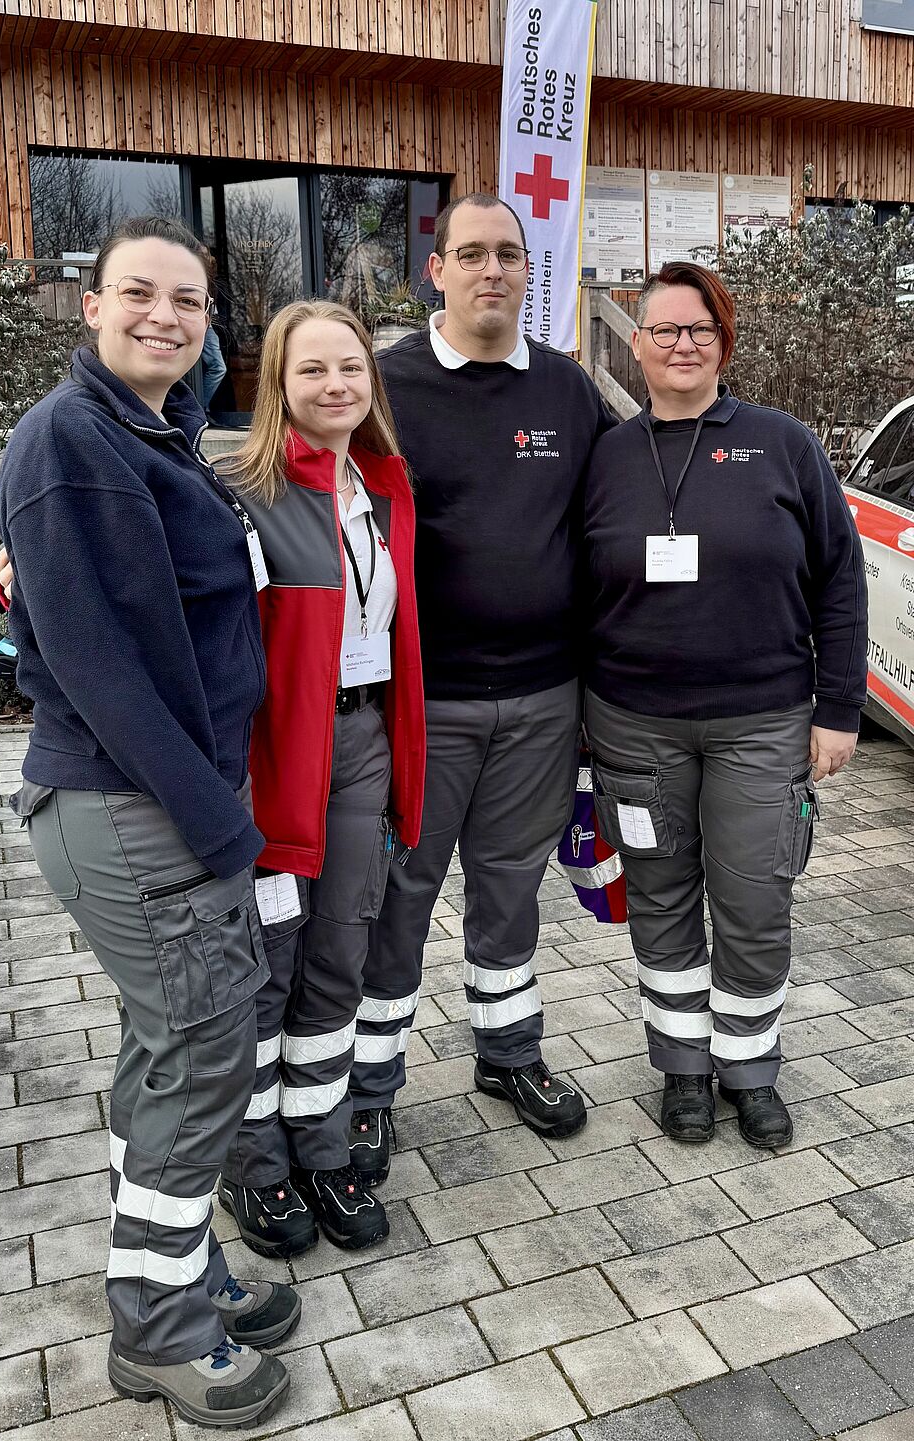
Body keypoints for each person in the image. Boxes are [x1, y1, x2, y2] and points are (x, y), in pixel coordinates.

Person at [0, 217, 298, 1431]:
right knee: (205, 1056)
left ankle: (173, 1269)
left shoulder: (149, 430)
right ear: (91, 306)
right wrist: (220, 823)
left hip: (156, 801)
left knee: (163, 1051)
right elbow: (103, 669)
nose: (165, 317)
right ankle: (159, 1333)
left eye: (188, 301)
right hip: (137, 805)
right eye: (138, 293)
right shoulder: (72, 442)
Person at [346, 192, 616, 1188]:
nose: (492, 269)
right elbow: (292, 476)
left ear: (527, 269)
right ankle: (369, 1089)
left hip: (544, 698)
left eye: (509, 252)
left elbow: (623, 504)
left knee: (510, 885)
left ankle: (508, 1052)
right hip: (426, 701)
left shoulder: (568, 389)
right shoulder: (384, 384)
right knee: (399, 896)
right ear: (438, 270)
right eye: (471, 253)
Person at [583, 261, 867, 1149]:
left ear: (723, 343)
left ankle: (749, 1068)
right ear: (636, 346)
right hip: (633, 723)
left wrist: (839, 707)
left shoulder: (783, 444)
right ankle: (683, 1069)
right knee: (661, 897)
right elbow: (572, 589)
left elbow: (841, 576)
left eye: (700, 330)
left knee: (753, 899)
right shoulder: (606, 456)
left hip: (762, 719)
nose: (683, 344)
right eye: (665, 329)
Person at [214, 301, 425, 1258]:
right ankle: (254, 1164)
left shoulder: (382, 486)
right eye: (313, 369)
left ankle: (321, 1145)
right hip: (273, 761)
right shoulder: (238, 492)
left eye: (352, 366)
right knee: (269, 964)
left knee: (342, 950)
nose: (336, 384)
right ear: (278, 385)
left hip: (364, 741)